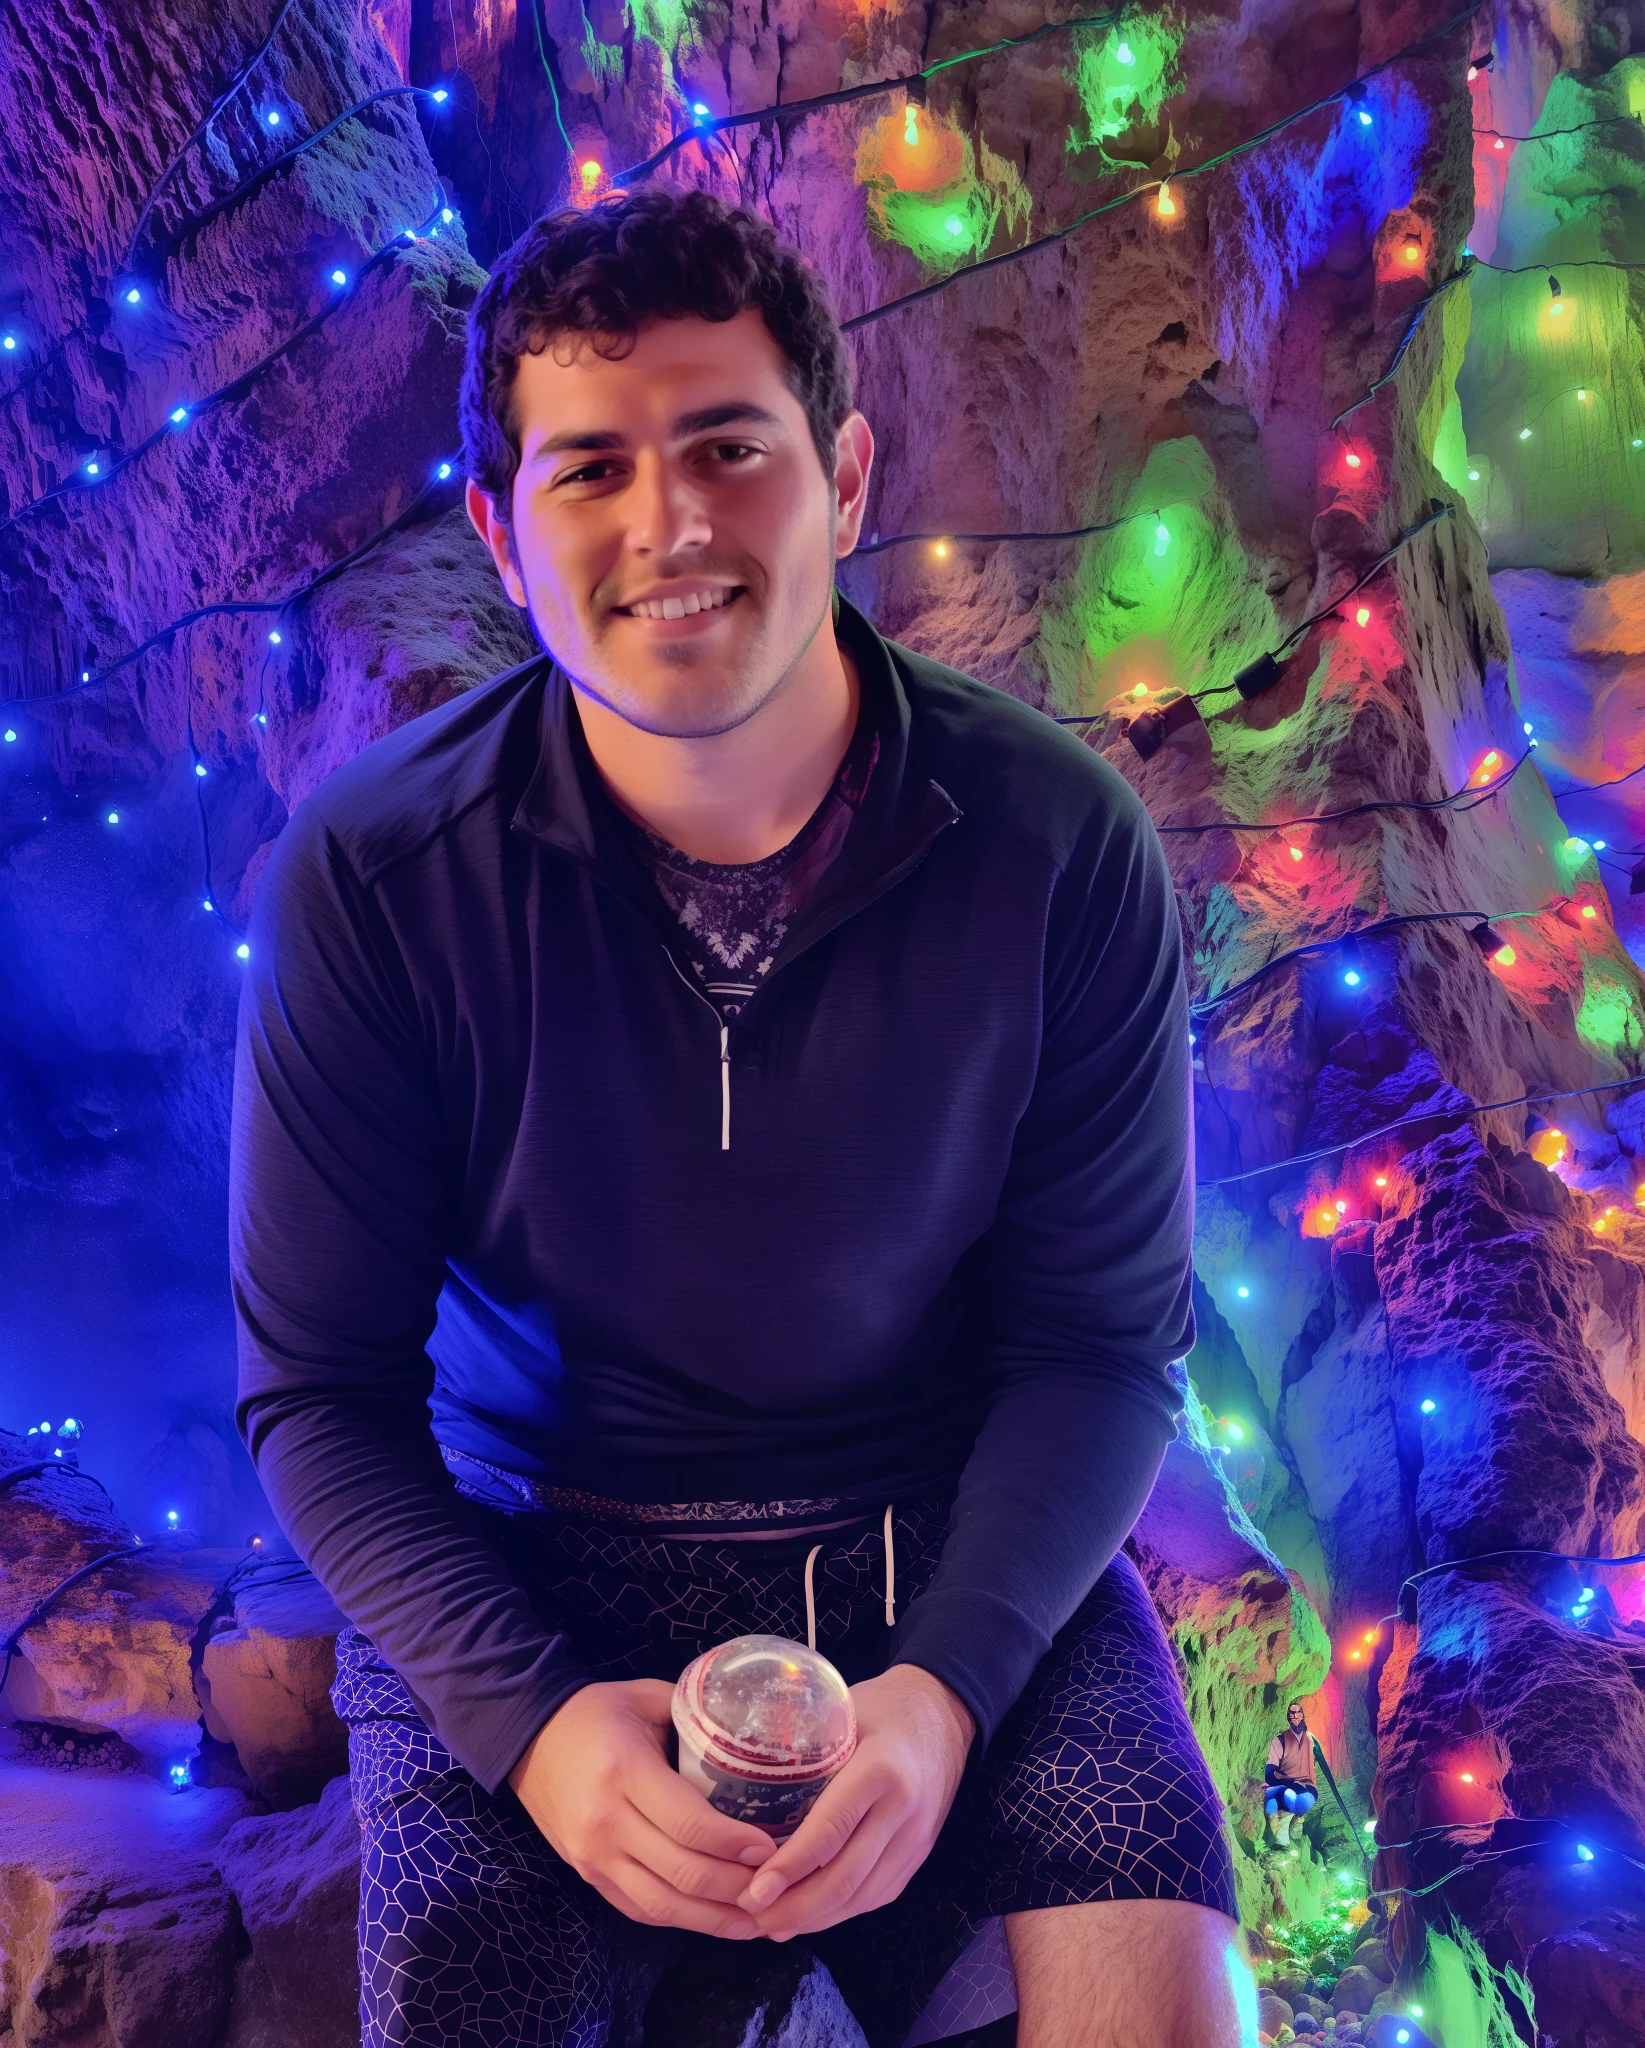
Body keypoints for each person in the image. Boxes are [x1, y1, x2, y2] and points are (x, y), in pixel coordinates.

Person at [230, 187, 1240, 2048]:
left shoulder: (1057, 844)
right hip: (532, 1564)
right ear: (498, 535)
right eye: (588, 469)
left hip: (939, 1553)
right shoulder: (371, 878)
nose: (670, 522)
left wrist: (942, 1688)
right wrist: (530, 1725)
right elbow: (319, 1397)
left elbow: (1097, 1351)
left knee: (1160, 2010)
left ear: (843, 478)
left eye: (727, 447)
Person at [1264, 1699, 1319, 1849]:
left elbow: (1320, 1764)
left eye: (1298, 1712)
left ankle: (1292, 1827)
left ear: (1303, 1714)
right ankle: (1281, 1838)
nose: (1295, 1716)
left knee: (1299, 1800)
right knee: (1281, 1798)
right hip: (1288, 1785)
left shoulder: (1312, 1740)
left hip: (1308, 1787)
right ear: (1288, 1717)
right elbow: (1270, 1771)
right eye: (1292, 1713)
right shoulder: (1279, 1740)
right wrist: (1286, 1780)